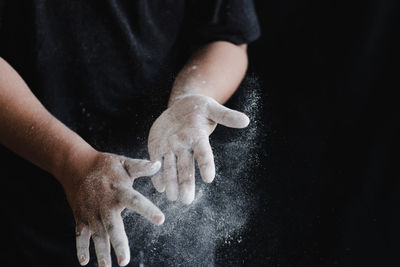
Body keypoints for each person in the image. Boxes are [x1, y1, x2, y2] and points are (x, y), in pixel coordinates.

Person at [0, 1, 260, 266]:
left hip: (161, 182)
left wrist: (192, 93)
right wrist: (73, 161)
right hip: (33, 195)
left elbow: (228, 37)